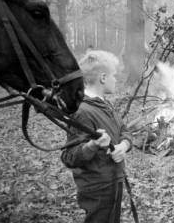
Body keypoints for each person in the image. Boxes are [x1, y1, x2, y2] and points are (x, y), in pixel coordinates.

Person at [61, 50, 132, 223]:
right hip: (98, 188)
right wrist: (92, 146)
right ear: (103, 77)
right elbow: (68, 157)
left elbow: (125, 131)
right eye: (114, 75)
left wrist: (123, 146)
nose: (116, 79)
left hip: (114, 180)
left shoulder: (105, 104)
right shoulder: (83, 112)